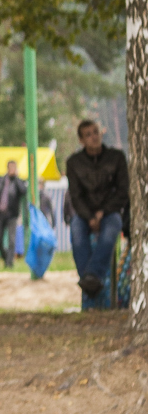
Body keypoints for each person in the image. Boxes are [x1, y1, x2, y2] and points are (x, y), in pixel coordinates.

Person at [66, 118, 129, 297]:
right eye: (88, 134)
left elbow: (123, 191)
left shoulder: (116, 157)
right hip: (84, 213)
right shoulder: (74, 162)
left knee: (111, 231)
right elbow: (76, 196)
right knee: (76, 232)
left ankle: (91, 276)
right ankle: (89, 279)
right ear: (81, 140)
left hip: (110, 211)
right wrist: (90, 217)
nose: (94, 137)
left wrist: (104, 212)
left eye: (95, 132)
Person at [0, 159, 26, 268]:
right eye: (11, 167)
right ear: (7, 168)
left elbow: (23, 191)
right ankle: (6, 258)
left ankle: (9, 263)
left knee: (11, 240)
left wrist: (16, 178)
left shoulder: (18, 182)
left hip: (12, 215)